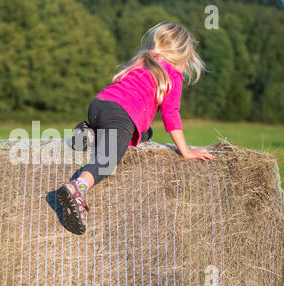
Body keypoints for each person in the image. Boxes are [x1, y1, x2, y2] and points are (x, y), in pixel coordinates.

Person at [57, 22, 215, 235]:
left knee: (143, 133)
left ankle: (90, 133)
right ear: (180, 56)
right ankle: (78, 187)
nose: (186, 67)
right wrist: (185, 151)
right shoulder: (173, 76)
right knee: (106, 161)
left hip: (99, 105)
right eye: (187, 61)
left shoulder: (143, 60)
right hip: (121, 115)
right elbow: (170, 115)